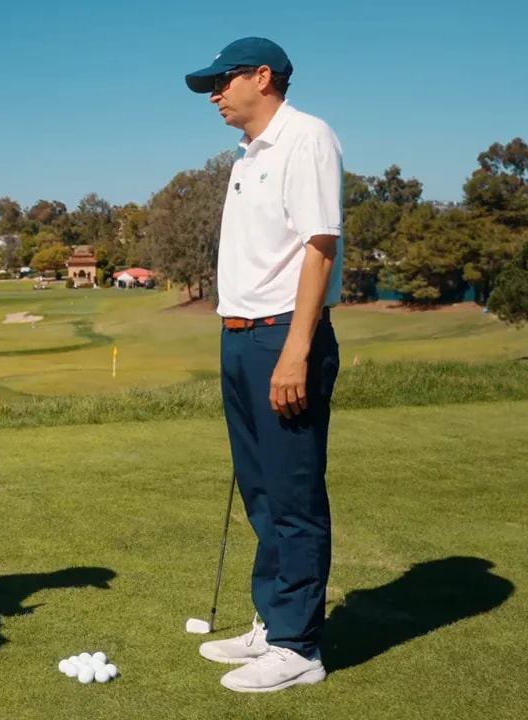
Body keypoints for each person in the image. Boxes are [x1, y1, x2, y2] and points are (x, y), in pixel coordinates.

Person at [183, 38, 344, 693]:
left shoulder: (307, 138)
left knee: (294, 495)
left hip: (284, 335)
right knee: (261, 493)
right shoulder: (247, 154)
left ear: (262, 76)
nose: (216, 95)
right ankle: (274, 622)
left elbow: (320, 247)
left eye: (223, 82)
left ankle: (299, 648)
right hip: (239, 335)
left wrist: (297, 350)